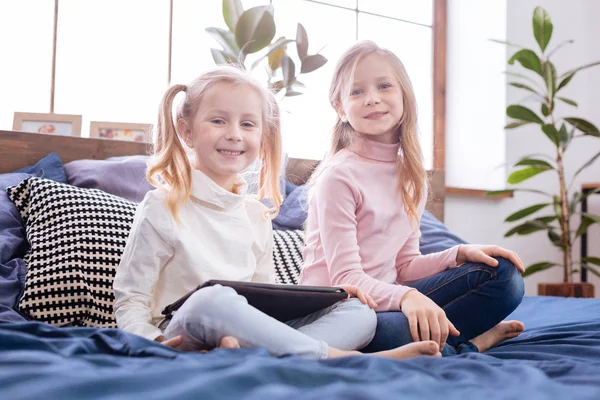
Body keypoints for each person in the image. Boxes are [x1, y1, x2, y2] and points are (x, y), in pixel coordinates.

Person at [113, 65, 441, 360]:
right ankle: (342, 359)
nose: (234, 134)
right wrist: (153, 341)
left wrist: (331, 296)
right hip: (183, 329)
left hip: (239, 340)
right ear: (186, 131)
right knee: (211, 300)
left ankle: (262, 357)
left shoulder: (255, 215)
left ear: (261, 135)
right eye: (217, 121)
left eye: (247, 124)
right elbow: (130, 301)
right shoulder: (161, 206)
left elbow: (265, 303)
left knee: (359, 312)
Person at [300, 41, 526, 355]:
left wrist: (459, 254)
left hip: (388, 296)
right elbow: (346, 278)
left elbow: (405, 265)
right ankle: (472, 342)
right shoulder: (338, 176)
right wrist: (407, 298)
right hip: (343, 309)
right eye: (357, 92)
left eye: (384, 86)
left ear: (404, 96)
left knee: (504, 275)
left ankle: (452, 340)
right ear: (341, 108)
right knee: (401, 334)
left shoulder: (411, 176)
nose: (373, 99)